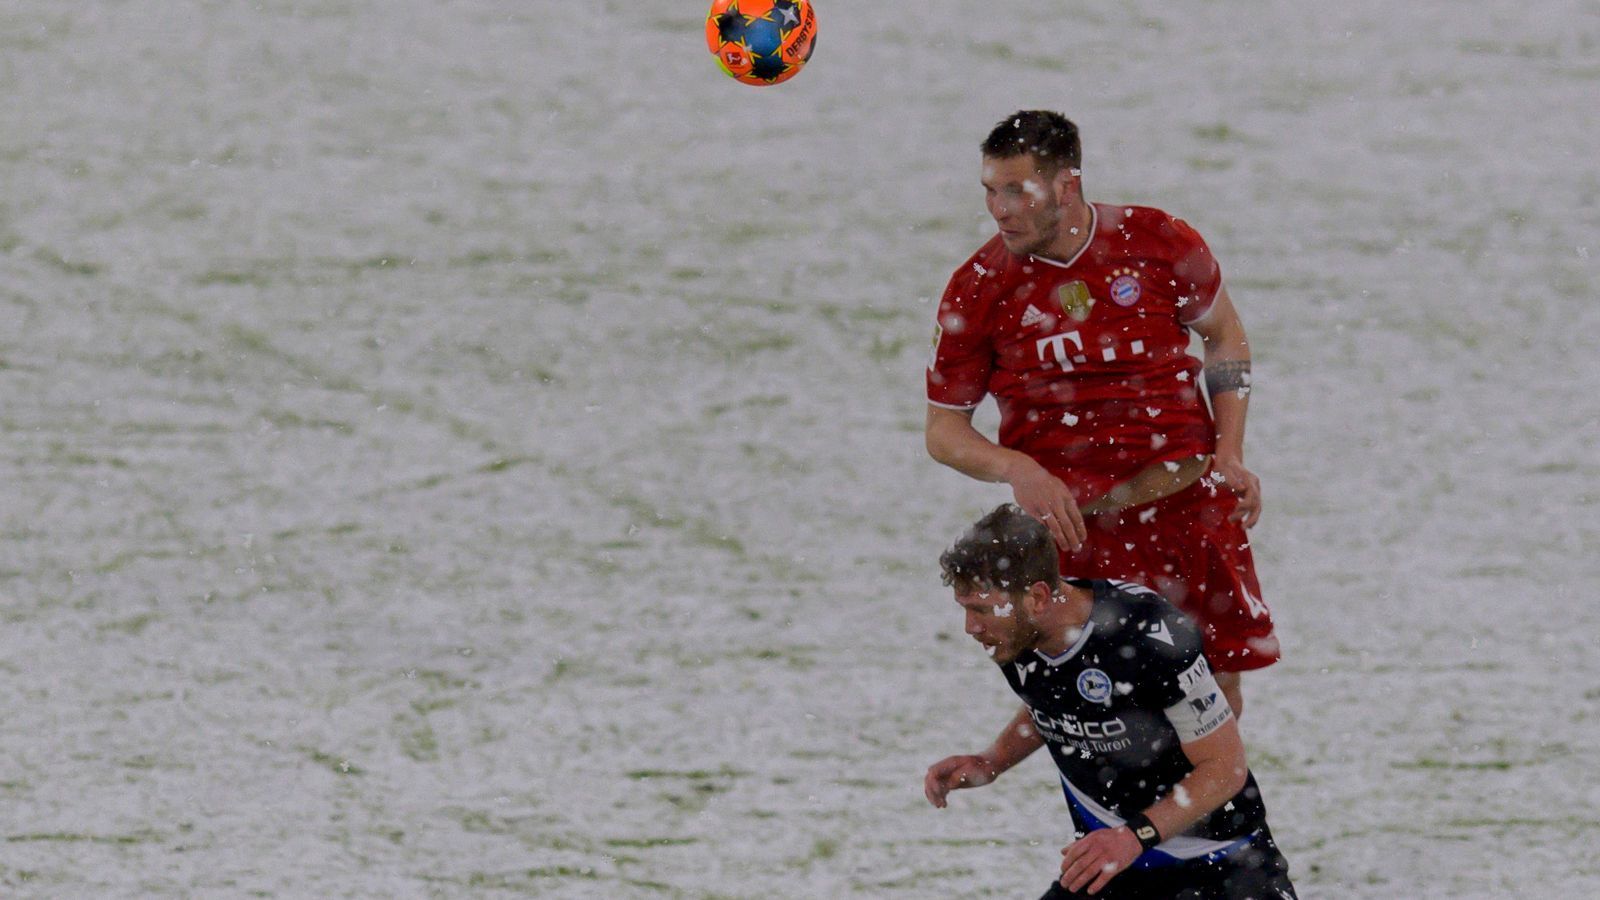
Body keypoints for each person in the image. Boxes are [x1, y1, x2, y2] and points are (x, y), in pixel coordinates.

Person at [925, 109, 1278, 717]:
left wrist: (1229, 453)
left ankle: (1199, 813)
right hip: (1079, 537)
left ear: (1066, 185)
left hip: (1187, 516)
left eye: (1016, 190)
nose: (999, 210)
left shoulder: (1159, 241)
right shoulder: (979, 287)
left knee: (1214, 705)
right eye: (990, 191)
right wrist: (1017, 468)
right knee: (1096, 718)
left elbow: (1225, 337)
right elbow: (943, 431)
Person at [924, 505, 1297, 899]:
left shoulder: (1149, 634)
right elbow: (1050, 699)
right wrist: (993, 760)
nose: (971, 628)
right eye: (965, 610)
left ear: (1037, 597)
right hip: (1114, 866)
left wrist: (1135, 835)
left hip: (1220, 863)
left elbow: (1225, 767)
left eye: (980, 610)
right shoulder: (1016, 636)